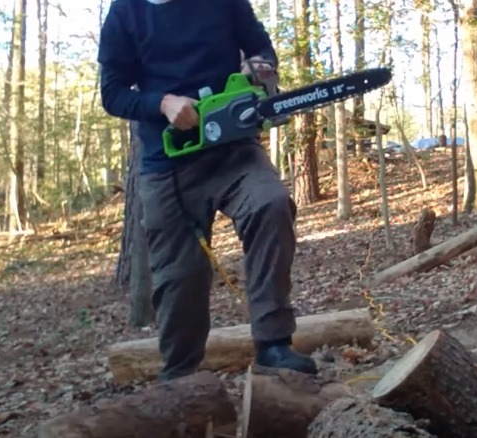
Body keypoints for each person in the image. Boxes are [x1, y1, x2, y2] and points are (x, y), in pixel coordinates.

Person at [97, 0, 318, 382]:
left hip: (234, 149)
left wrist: (258, 64)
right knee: (181, 276)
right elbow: (113, 92)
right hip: (167, 161)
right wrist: (162, 103)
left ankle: (273, 344)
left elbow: (259, 44)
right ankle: (181, 380)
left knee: (270, 203)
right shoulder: (126, 12)